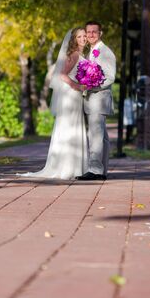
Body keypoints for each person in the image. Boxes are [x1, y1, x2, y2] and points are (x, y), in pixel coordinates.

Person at [18, 27, 88, 179]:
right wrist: (77, 86)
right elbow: (62, 75)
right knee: (70, 128)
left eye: (84, 36)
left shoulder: (80, 54)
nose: (83, 39)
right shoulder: (75, 54)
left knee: (73, 127)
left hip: (75, 96)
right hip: (71, 95)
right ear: (73, 39)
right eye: (79, 37)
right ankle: (69, 168)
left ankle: (73, 167)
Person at [77, 21, 116, 181]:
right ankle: (102, 170)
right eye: (89, 32)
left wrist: (90, 86)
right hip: (93, 100)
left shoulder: (105, 52)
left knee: (95, 135)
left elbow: (111, 77)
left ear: (100, 33)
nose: (91, 34)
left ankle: (95, 170)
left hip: (98, 99)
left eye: (95, 31)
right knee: (102, 137)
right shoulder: (92, 51)